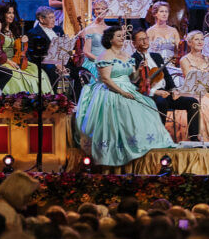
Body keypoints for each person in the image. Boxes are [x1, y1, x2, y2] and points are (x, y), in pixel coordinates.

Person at [74, 25, 174, 166]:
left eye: (123, 36)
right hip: (110, 90)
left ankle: (143, 143)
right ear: (110, 39)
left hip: (128, 87)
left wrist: (139, 70)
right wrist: (122, 93)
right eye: (119, 36)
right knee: (123, 106)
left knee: (148, 105)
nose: (122, 38)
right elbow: (106, 79)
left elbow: (133, 78)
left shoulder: (126, 55)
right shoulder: (105, 55)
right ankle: (118, 148)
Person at [131, 29, 201, 142]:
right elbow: (135, 84)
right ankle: (160, 138)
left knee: (193, 102)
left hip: (165, 93)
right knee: (161, 102)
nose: (145, 41)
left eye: (146, 38)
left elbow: (167, 76)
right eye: (141, 39)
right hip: (148, 95)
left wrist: (174, 90)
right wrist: (155, 92)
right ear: (134, 43)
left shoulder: (156, 56)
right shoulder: (133, 59)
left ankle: (194, 138)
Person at [0, 4, 53, 95]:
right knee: (18, 78)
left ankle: (44, 99)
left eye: (13, 13)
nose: (12, 15)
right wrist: (9, 61)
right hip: (4, 61)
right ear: (3, 14)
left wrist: (24, 41)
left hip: (17, 60)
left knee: (40, 73)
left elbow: (20, 48)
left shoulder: (14, 30)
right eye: (9, 13)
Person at [26, 6, 64, 89]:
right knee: (53, 71)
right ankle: (57, 97)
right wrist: (54, 61)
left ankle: (73, 99)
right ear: (41, 19)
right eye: (50, 18)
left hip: (62, 61)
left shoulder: (59, 29)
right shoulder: (33, 33)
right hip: (45, 63)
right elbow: (34, 55)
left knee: (79, 70)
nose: (54, 20)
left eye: (54, 17)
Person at [78, 0, 111, 76]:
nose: (100, 11)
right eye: (97, 9)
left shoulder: (110, 29)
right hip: (94, 63)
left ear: (107, 11)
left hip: (108, 62)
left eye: (103, 9)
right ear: (94, 11)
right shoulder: (89, 29)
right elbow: (86, 52)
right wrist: (100, 60)